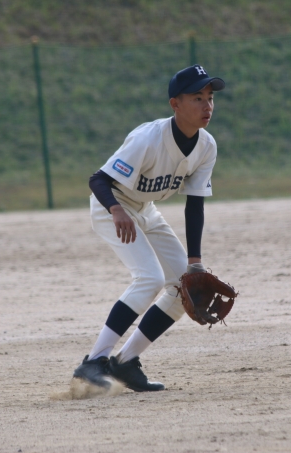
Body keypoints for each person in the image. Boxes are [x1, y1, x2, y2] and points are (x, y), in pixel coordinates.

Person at [73, 64, 225, 392]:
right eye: (197, 98)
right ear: (175, 104)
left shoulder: (206, 146)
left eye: (210, 97)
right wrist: (116, 210)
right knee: (150, 278)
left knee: (183, 286)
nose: (207, 105)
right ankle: (93, 362)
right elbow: (98, 180)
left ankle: (126, 362)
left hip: (146, 210)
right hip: (111, 206)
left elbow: (195, 204)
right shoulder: (148, 138)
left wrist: (195, 262)